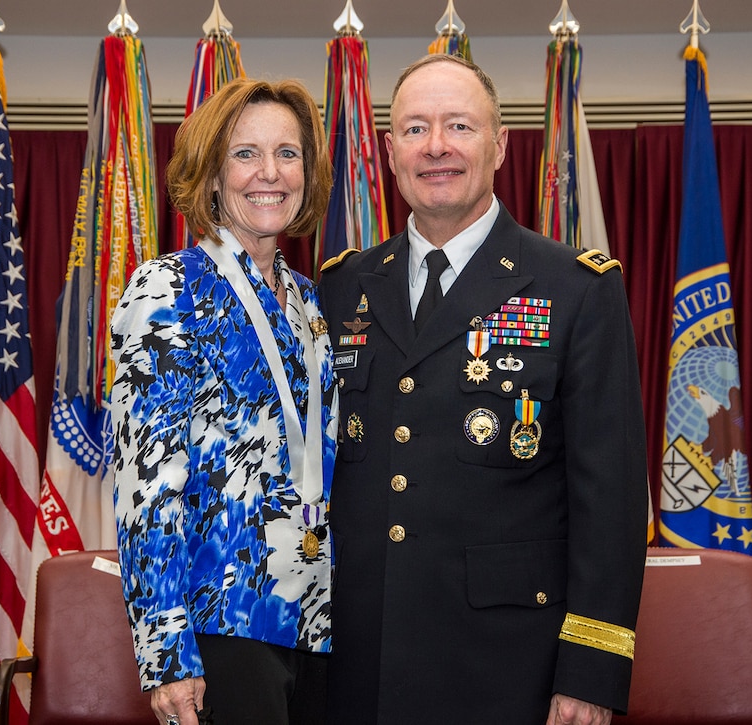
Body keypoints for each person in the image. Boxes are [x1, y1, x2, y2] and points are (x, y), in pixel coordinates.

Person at [319, 54, 649, 725]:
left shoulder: (575, 289)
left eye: (459, 125)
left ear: (499, 145)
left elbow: (608, 501)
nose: (436, 146)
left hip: (509, 669)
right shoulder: (341, 286)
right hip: (358, 662)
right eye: (414, 129)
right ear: (389, 152)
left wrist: (591, 670)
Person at [110, 78, 337, 725]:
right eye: (246, 154)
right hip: (224, 625)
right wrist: (167, 654)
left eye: (288, 153)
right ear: (211, 175)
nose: (270, 173)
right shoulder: (168, 289)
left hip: (320, 622)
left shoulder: (312, 305)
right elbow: (144, 485)